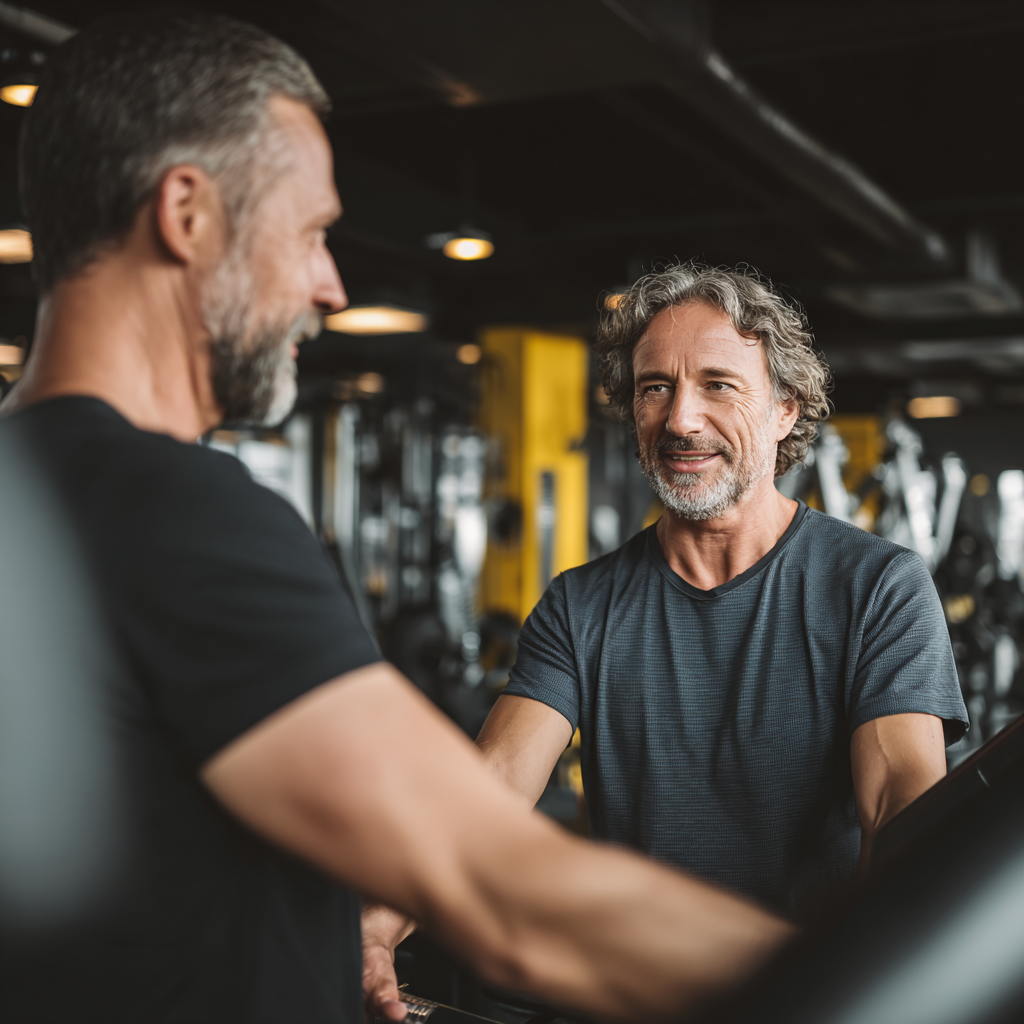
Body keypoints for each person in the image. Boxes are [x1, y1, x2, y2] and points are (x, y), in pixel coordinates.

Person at [0, 16, 794, 1024]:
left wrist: (335, 931)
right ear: (187, 214)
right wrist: (901, 979)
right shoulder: (174, 516)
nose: (329, 283)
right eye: (312, 231)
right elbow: (518, 901)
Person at [471, 265, 970, 924]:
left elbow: (899, 815)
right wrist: (375, 932)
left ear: (784, 410)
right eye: (656, 388)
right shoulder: (580, 606)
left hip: (807, 996)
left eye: (718, 386)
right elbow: (488, 793)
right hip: (634, 993)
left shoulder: (878, 588)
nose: (681, 419)